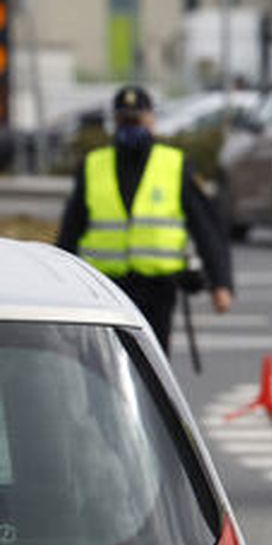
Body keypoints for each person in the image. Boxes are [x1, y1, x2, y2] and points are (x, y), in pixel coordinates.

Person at [57, 85, 234, 350]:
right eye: (124, 120)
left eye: (136, 119)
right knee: (109, 362)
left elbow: (205, 227)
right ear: (114, 122)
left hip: (158, 288)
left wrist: (220, 282)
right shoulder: (94, 165)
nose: (130, 126)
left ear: (151, 119)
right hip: (106, 287)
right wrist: (60, 283)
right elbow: (71, 229)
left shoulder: (173, 164)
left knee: (152, 359)